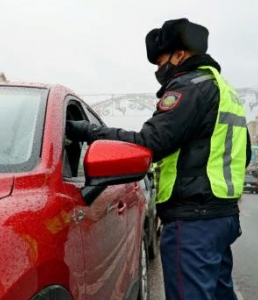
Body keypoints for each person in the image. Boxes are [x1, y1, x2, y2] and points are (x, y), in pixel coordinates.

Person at [66, 18, 251, 300]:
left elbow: (149, 142)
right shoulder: (226, 92)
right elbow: (244, 154)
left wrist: (89, 132)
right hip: (221, 218)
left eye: (160, 61)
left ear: (180, 55)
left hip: (192, 223)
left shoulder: (190, 88)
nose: (158, 70)